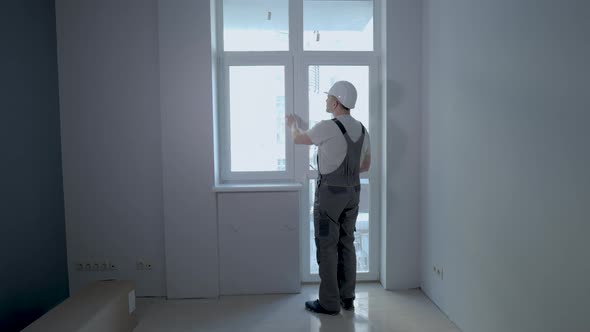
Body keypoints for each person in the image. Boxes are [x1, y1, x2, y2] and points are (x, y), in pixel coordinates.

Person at [286, 80, 371, 315]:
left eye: (327, 98)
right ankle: (347, 298)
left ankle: (329, 303)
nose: (325, 101)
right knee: (347, 242)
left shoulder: (327, 126)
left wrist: (293, 125)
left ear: (335, 102)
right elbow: (365, 165)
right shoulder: (363, 129)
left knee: (326, 245)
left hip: (329, 197)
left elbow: (298, 139)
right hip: (353, 193)